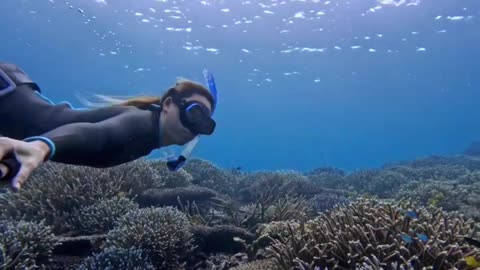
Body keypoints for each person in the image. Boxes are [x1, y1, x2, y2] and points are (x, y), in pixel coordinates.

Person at [0, 62, 218, 191]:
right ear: (169, 104)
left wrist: (12, 163)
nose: (195, 126)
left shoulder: (150, 134)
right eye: (195, 113)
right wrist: (41, 146)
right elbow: (98, 135)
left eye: (205, 123)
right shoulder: (141, 124)